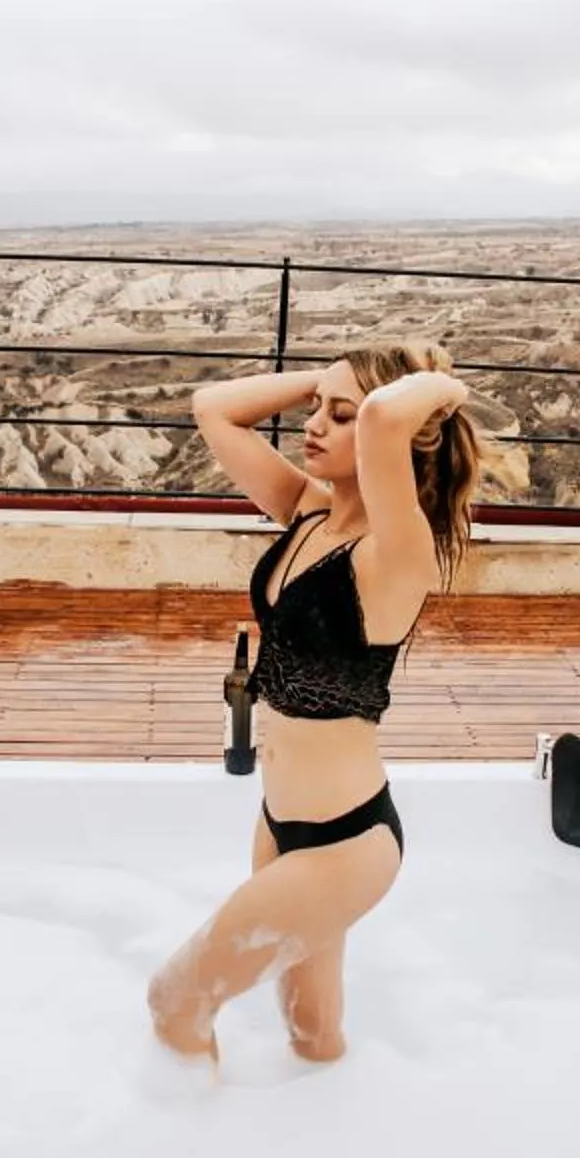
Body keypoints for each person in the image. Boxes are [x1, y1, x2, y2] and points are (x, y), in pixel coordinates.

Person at [146, 344, 481, 1068]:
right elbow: (214, 409)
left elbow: (390, 415)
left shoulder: (397, 554)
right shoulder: (307, 514)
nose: (315, 425)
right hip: (278, 824)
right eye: (315, 410)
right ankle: (321, 1143)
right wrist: (331, 380)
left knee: (174, 1000)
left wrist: (445, 385)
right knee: (311, 1031)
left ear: (388, 437)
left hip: (346, 843)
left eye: (341, 416)